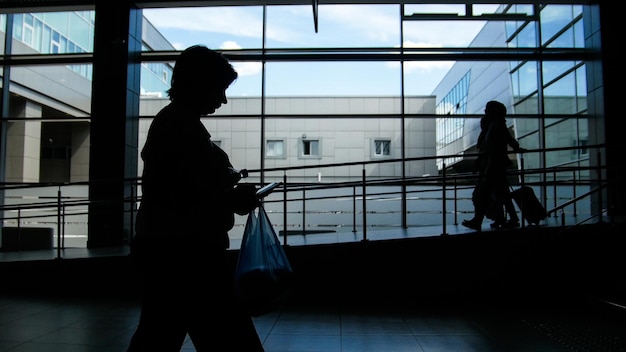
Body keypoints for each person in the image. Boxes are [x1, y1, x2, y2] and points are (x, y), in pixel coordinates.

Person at [127, 45, 264, 351]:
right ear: (198, 83)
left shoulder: (175, 124)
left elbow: (180, 189)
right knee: (228, 337)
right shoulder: (181, 128)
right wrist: (231, 199)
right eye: (219, 88)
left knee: (159, 333)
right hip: (188, 255)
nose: (223, 99)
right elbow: (187, 194)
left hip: (171, 251)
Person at [463, 100, 525, 231]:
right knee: (500, 194)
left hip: (494, 166)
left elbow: (507, 139)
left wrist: (517, 148)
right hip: (492, 166)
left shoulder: (497, 125)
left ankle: (482, 220)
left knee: (483, 194)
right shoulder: (491, 125)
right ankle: (504, 218)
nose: (485, 111)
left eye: (487, 109)